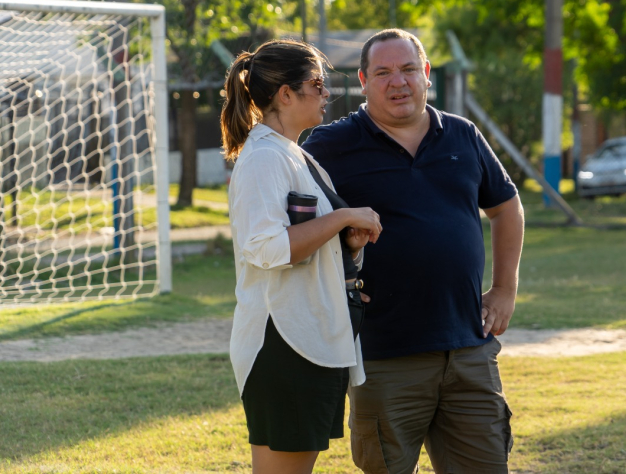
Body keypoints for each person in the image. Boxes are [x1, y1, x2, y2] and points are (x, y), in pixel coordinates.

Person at [303, 29, 525, 474]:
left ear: (426, 74)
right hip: (384, 355)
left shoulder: (462, 135)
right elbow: (293, 230)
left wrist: (504, 290)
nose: (397, 82)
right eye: (382, 72)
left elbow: (507, 208)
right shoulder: (329, 146)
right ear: (364, 82)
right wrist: (331, 292)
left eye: (407, 69)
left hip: (467, 350)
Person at [220, 40, 383, 474]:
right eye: (318, 83)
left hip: (307, 339)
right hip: (284, 342)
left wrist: (346, 245)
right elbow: (267, 248)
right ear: (285, 94)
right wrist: (343, 216)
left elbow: (303, 241)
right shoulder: (263, 158)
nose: (326, 93)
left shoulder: (295, 155)